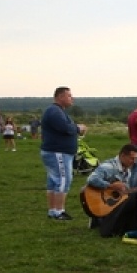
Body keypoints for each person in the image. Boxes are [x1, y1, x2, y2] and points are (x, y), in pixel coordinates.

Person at [40, 87, 84, 221]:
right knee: (63, 180)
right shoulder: (54, 111)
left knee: (54, 181)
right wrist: (78, 128)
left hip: (56, 151)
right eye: (69, 96)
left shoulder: (57, 111)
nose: (72, 98)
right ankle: (59, 212)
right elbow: (65, 128)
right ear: (60, 97)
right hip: (58, 152)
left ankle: (53, 210)